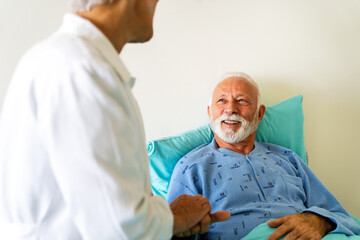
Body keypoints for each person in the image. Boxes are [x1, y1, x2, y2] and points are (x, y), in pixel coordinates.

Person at [0, 0, 230, 239]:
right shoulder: (84, 73)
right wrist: (168, 220)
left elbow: (101, 208)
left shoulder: (49, 58)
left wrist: (166, 220)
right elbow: (118, 230)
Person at [166, 72, 360, 240]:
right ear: (210, 113)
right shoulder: (191, 167)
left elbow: (343, 217)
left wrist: (320, 221)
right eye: (222, 100)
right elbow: (169, 231)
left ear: (260, 114)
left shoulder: (288, 158)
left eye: (241, 100)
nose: (231, 108)